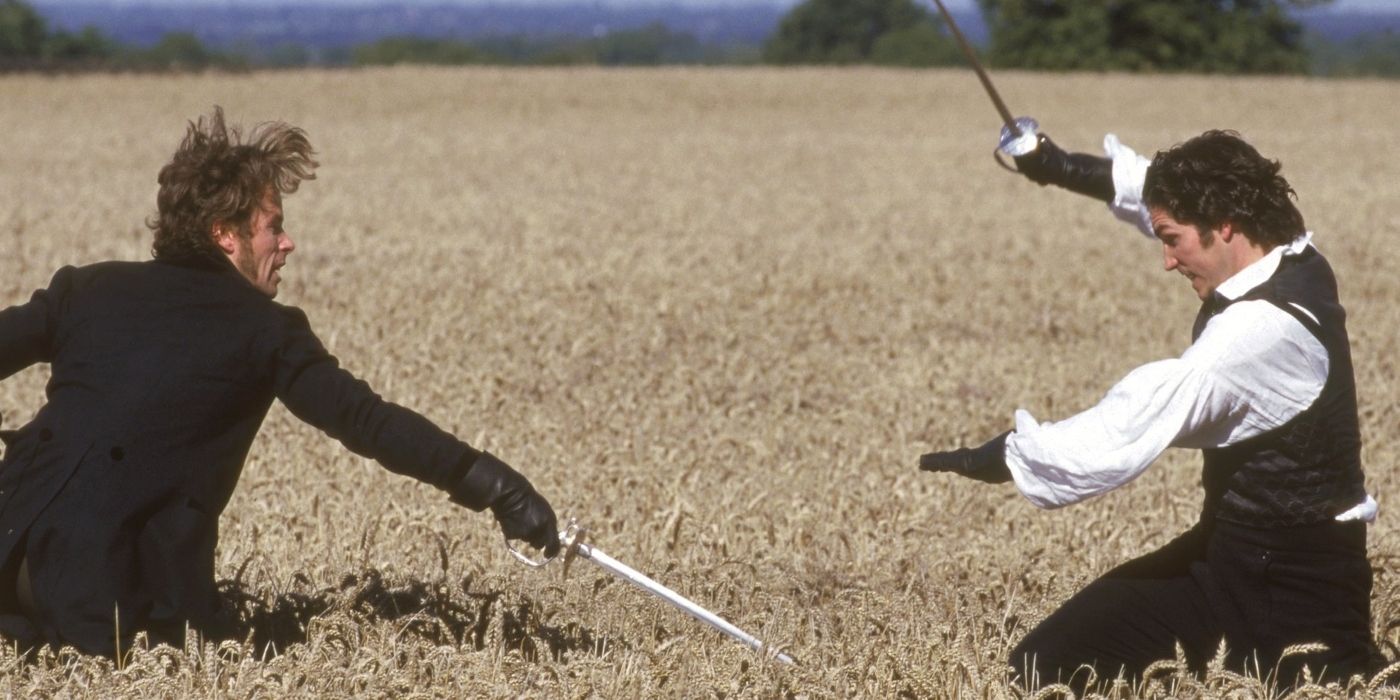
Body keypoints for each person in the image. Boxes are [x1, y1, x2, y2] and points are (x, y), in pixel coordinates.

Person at [0, 107, 560, 656]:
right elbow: (366, 421)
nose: (287, 244)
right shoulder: (266, 330)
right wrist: (496, 487)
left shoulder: (88, 289)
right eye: (275, 227)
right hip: (108, 595)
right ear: (225, 235)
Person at [919, 127, 1383, 690]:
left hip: (1293, 592)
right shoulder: (1292, 254)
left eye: (1173, 240)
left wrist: (1008, 455)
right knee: (1045, 668)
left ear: (1226, 226)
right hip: (1224, 557)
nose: (1166, 260)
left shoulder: (1258, 335)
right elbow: (1152, 192)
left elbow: (1133, 420)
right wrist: (1056, 164)